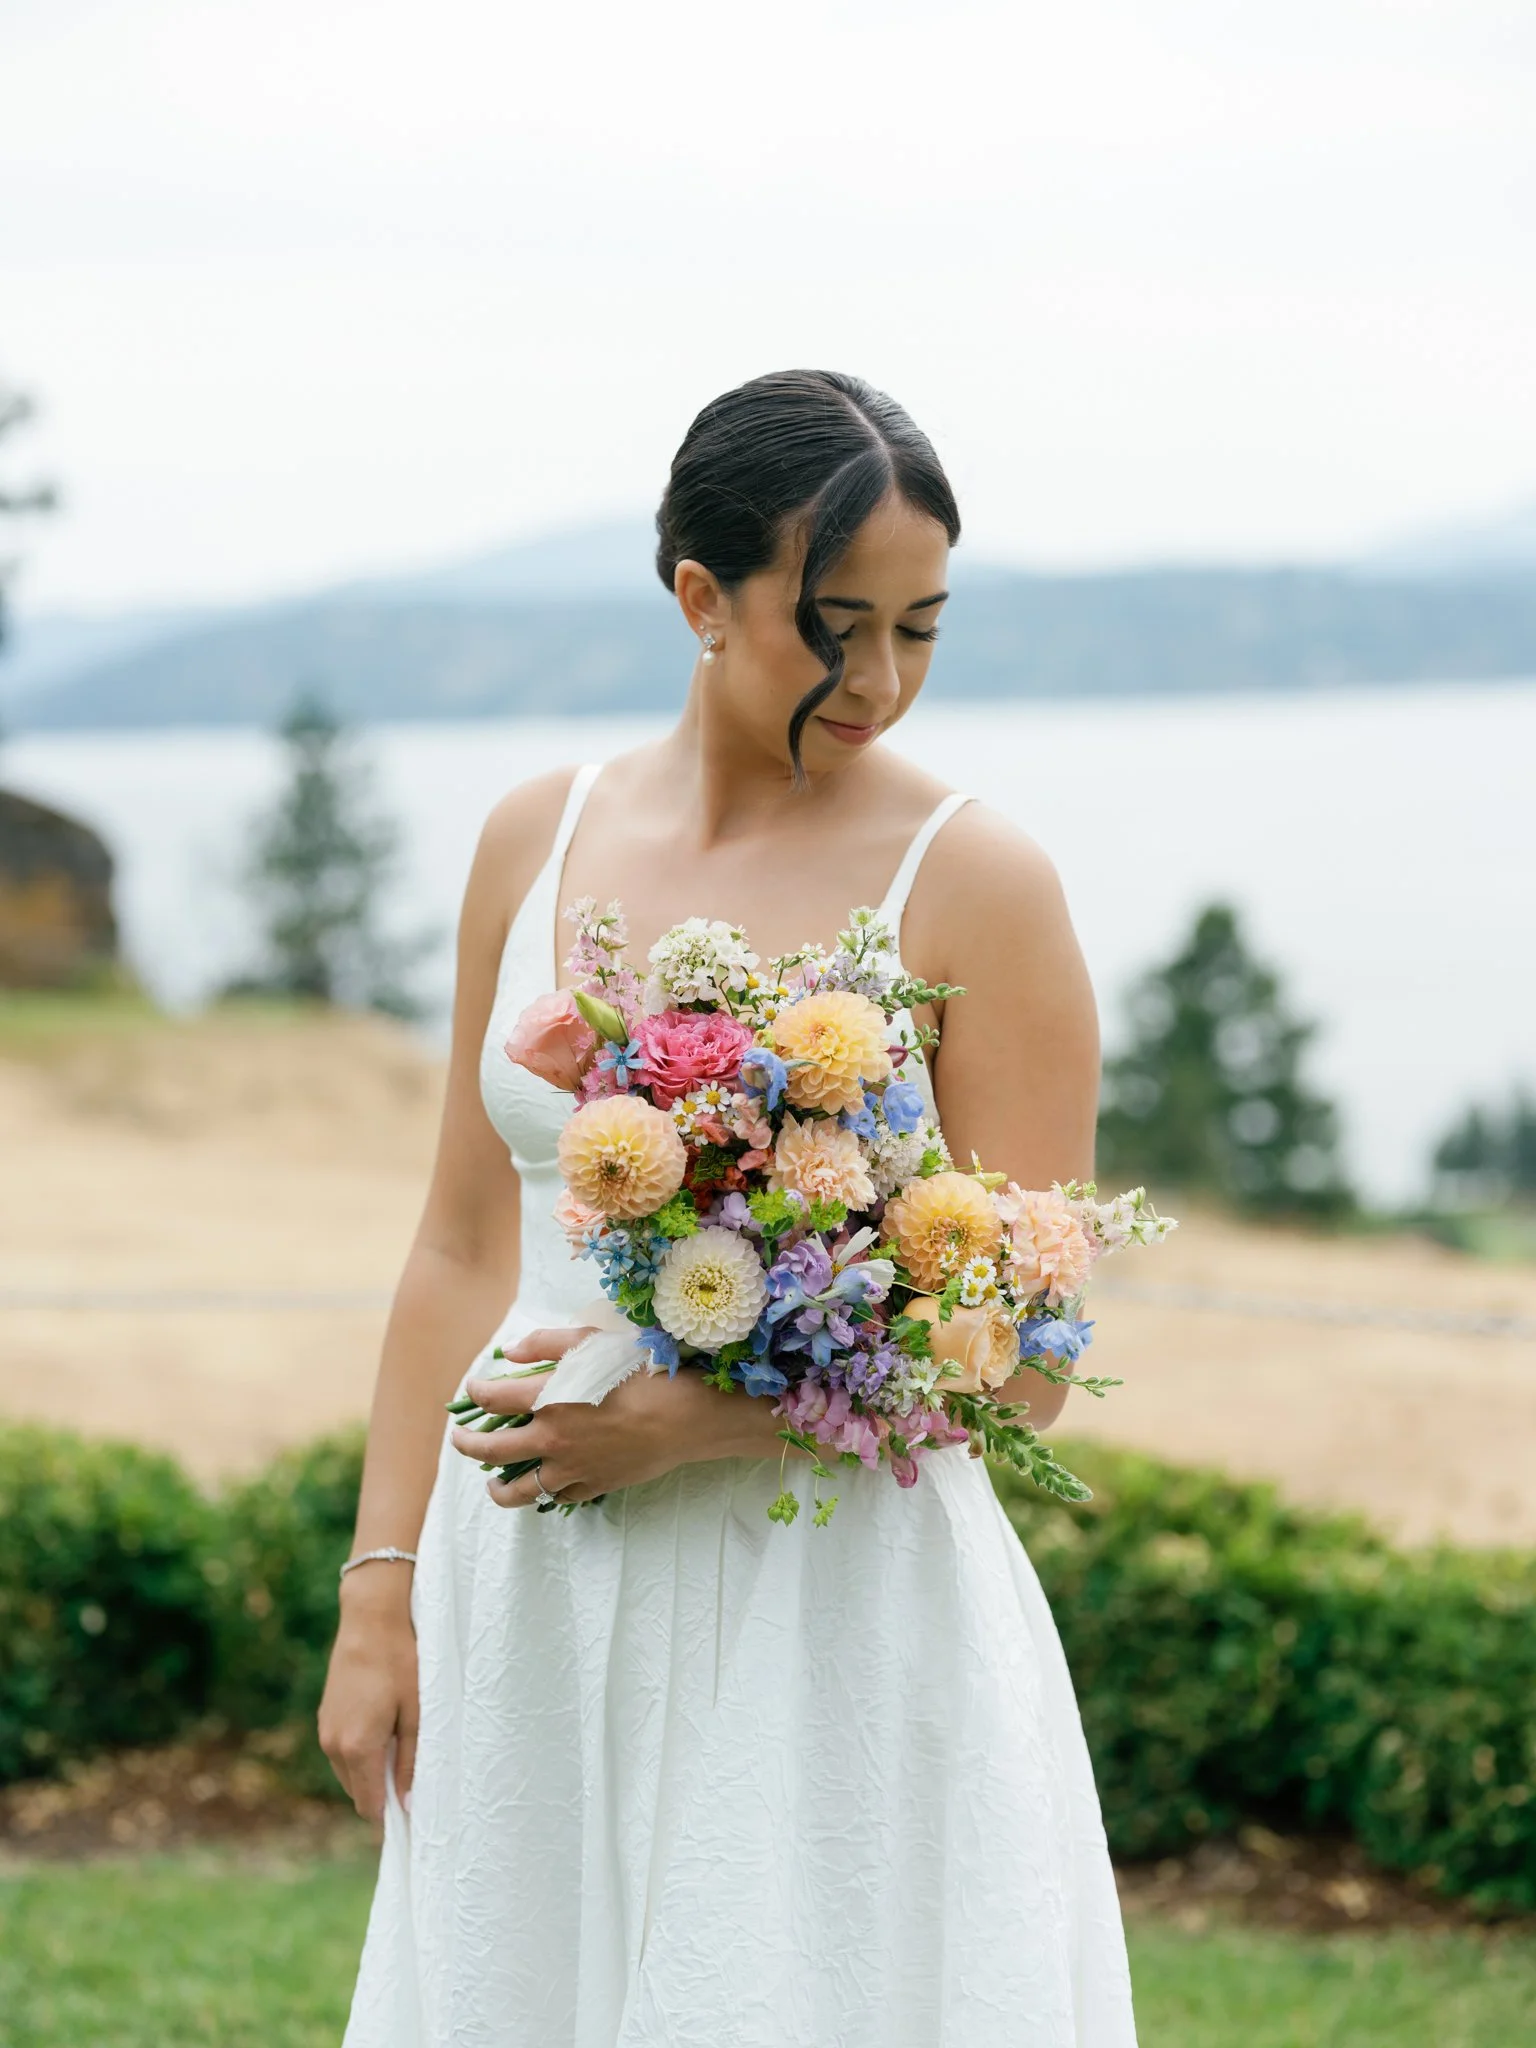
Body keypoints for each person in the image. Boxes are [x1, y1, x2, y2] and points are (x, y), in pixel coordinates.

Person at [322, 368, 1138, 2047]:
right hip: (527, 1588)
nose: (884, 683)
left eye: (923, 627)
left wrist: (697, 1426)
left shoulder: (981, 881)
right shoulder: (529, 842)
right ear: (699, 596)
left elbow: (1033, 1359)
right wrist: (377, 1596)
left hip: (827, 1600)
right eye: (836, 627)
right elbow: (460, 1246)